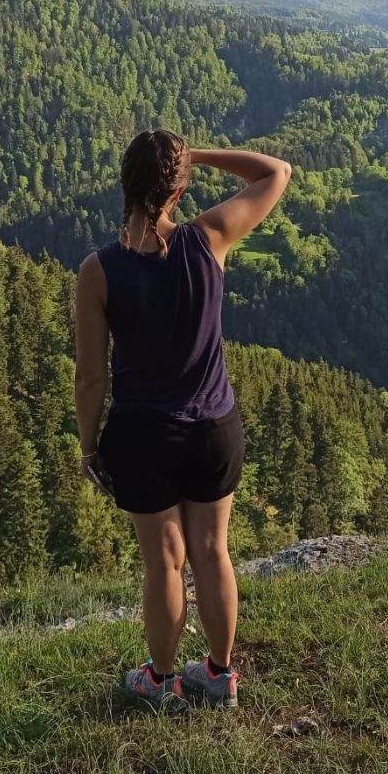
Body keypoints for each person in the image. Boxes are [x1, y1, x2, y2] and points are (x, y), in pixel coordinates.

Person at [73, 128, 291, 711]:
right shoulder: (209, 239)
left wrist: (89, 449)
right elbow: (275, 172)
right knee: (212, 551)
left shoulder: (100, 271)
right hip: (214, 427)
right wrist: (194, 157)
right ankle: (219, 676)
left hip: (143, 436)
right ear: (177, 189)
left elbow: (92, 378)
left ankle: (161, 681)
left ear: (124, 186)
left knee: (164, 563)